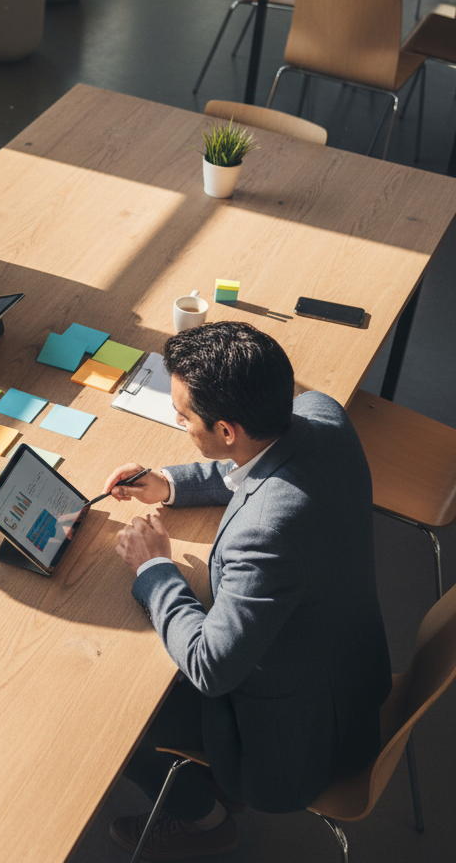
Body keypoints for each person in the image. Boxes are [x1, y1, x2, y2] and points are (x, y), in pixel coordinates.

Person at [103, 321, 391, 860]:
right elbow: (263, 467)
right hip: (345, 669)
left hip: (291, 736)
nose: (178, 419)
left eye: (184, 414)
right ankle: (206, 787)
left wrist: (154, 570)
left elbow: (211, 665)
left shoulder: (265, 533)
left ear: (227, 429)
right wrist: (170, 482)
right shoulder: (319, 412)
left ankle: (204, 817)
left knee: (115, 715)